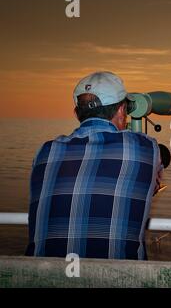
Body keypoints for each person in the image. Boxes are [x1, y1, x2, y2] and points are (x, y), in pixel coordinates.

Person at [25, 71, 163, 260]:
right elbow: (153, 183)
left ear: (76, 113)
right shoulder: (145, 148)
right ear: (123, 111)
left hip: (42, 277)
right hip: (118, 279)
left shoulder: (45, 152)